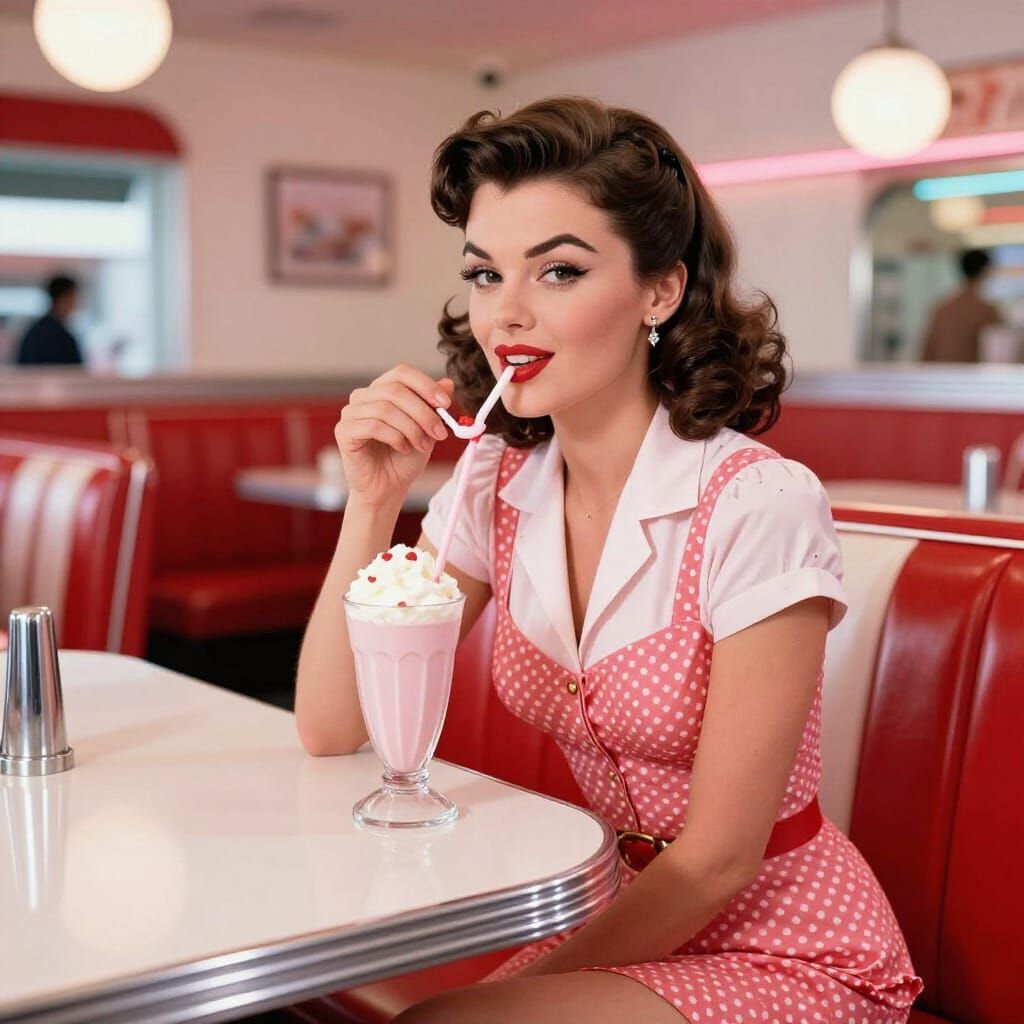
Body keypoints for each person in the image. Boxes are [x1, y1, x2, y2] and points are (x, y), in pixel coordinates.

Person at [295, 96, 922, 1023]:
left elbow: (717, 860)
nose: (506, 313)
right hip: (620, 920)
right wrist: (375, 499)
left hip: (788, 951)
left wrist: (522, 986)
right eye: (485, 272)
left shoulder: (756, 501)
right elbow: (330, 726)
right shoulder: (494, 479)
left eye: (558, 271)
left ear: (660, 292)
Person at [920, 248, 1002, 362]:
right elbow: (1000, 357)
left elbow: (926, 354)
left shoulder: (941, 309)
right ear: (985, 271)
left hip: (941, 376)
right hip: (973, 377)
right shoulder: (987, 311)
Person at [15, 274, 84, 366]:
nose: (76, 303)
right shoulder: (61, 337)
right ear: (63, 298)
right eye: (73, 297)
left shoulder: (34, 331)